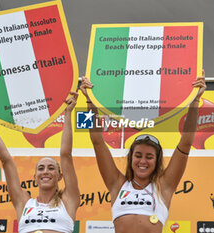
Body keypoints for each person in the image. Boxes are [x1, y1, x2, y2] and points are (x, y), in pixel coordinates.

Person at [80, 71, 206, 233]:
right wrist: (89, 100)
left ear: (157, 160)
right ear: (131, 158)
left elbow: (186, 143)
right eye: (138, 155)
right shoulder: (117, 184)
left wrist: (195, 99)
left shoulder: (164, 186)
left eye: (149, 157)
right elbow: (97, 141)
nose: (142, 161)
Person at [0, 92, 80, 233]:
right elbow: (6, 160)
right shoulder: (24, 203)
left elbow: (66, 155)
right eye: (41, 168)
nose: (45, 171)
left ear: (60, 176)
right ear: (34, 177)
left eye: (51, 168)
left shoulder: (68, 200)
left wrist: (68, 113)